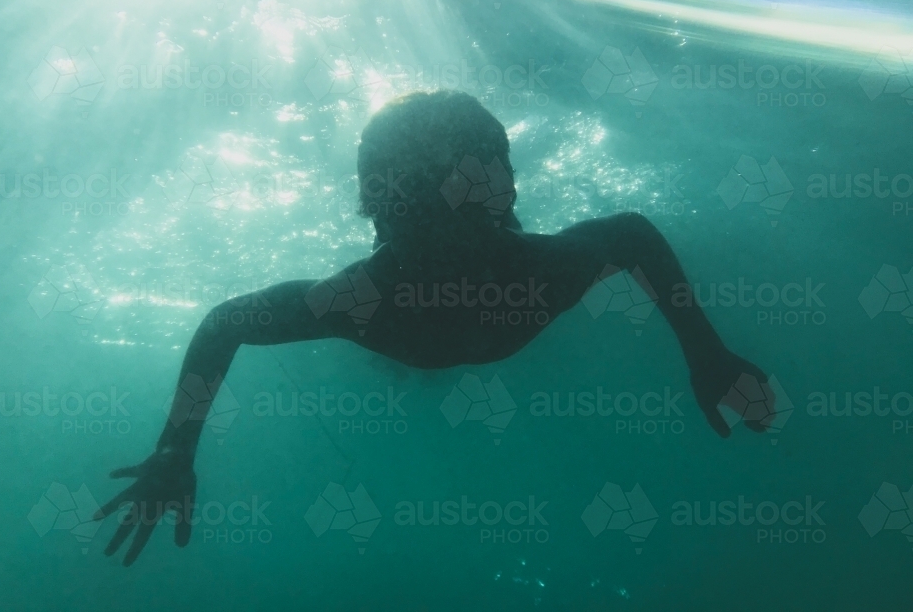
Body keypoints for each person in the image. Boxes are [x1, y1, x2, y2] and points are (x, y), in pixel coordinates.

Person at [94, 90, 772, 565]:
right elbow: (224, 322)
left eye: (456, 194)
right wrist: (174, 449)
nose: (447, 230)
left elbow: (631, 233)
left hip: (411, 337)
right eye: (422, 199)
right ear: (384, 217)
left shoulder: (515, 272)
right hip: (403, 341)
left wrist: (706, 351)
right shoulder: (385, 293)